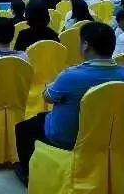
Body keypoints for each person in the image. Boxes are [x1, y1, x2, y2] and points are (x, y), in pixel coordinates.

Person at [14, 22, 124, 184]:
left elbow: (47, 97)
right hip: (112, 136)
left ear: (85, 45)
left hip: (69, 137)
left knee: (23, 128)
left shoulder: (71, 76)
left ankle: (28, 175)